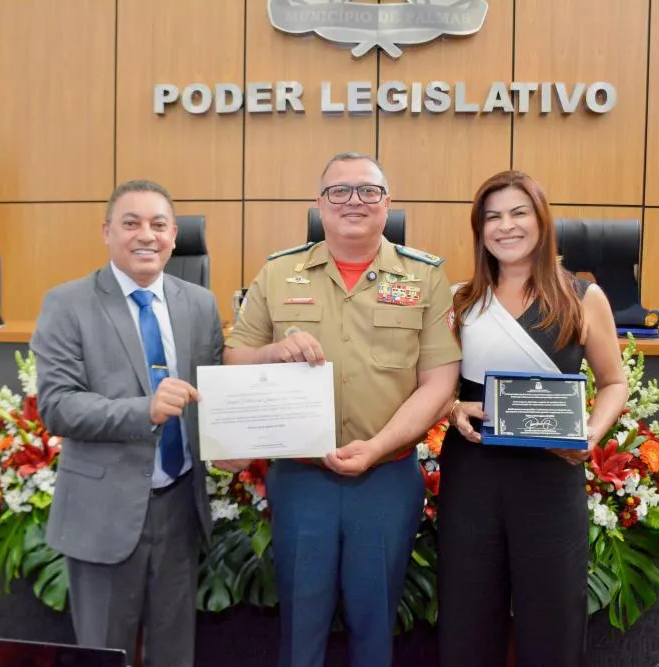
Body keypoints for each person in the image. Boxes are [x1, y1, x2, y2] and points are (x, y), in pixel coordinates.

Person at [221, 152, 461, 667]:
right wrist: (271, 352)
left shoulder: (424, 278)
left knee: (375, 625)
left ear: (387, 203)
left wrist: (376, 448)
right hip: (302, 478)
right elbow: (235, 357)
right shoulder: (279, 271)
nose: (354, 201)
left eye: (368, 191)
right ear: (319, 204)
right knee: (300, 625)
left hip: (386, 478)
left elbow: (439, 382)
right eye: (339, 191)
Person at [438, 170, 629, 667]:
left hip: (551, 473)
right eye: (492, 217)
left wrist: (589, 433)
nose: (506, 226)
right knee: (467, 614)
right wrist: (452, 407)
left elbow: (614, 383)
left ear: (542, 220)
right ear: (479, 230)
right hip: (473, 473)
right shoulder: (460, 301)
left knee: (553, 617)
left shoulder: (582, 296)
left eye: (518, 212)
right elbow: (431, 386)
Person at [30, 179, 223, 667]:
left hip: (179, 507)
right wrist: (146, 409)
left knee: (174, 654)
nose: (146, 235)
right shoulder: (67, 303)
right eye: (131, 223)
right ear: (107, 231)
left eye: (158, 224)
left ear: (175, 235)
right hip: (103, 513)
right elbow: (58, 406)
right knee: (105, 654)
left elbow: (215, 391)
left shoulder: (200, 304)